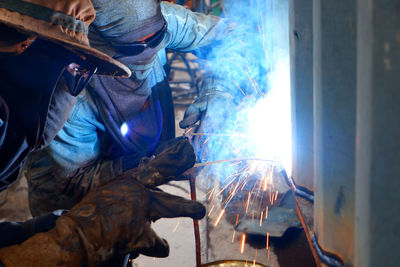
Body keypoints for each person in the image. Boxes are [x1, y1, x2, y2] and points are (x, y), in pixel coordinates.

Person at [0, 0, 205, 265]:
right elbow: (74, 178)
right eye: (70, 68)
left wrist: (35, 232)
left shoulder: (153, 24)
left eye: (78, 70)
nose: (69, 88)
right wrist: (81, 238)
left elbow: (235, 35)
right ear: (22, 45)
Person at [26, 0, 263, 217]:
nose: (149, 51)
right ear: (100, 47)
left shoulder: (153, 23)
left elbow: (240, 37)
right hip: (68, 201)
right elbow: (76, 181)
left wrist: (218, 89)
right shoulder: (67, 92)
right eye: (134, 50)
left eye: (157, 40)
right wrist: (149, 166)